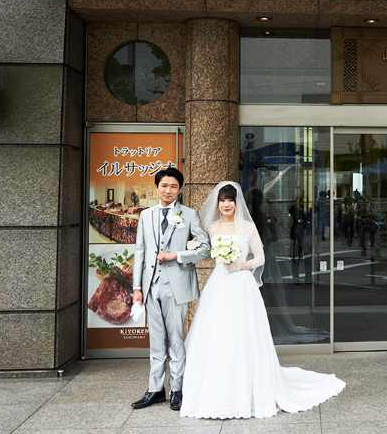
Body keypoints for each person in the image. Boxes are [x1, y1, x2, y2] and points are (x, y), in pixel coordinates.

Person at [180, 181, 345, 419]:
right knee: (217, 332)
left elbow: (260, 257)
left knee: (244, 333)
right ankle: (215, 389)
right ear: (218, 204)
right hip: (218, 285)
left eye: (230, 200)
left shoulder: (247, 227)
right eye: (222, 200)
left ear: (237, 203)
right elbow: (203, 249)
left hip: (242, 285)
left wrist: (241, 265)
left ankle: (248, 387)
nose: (226, 204)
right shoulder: (212, 227)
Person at [130, 167, 210, 411]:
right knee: (156, 341)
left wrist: (177, 255)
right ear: (157, 187)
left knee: (176, 339)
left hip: (176, 287)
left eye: (173, 186)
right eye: (164, 185)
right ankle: (155, 389)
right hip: (150, 287)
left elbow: (205, 248)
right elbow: (140, 252)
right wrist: (137, 287)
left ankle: (177, 388)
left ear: (180, 189)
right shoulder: (146, 215)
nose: (168, 190)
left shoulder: (189, 214)